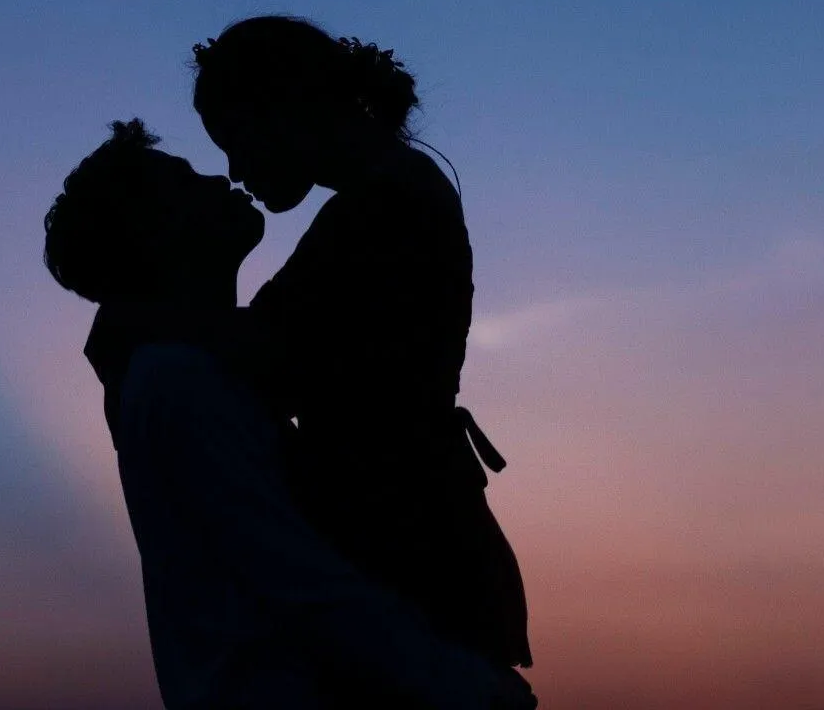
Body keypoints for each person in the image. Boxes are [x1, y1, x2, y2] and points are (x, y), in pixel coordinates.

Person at [43, 119, 534, 710]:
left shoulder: (199, 369)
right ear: (150, 235)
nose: (219, 177)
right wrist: (467, 688)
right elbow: (293, 576)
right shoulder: (176, 382)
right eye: (183, 181)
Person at [192, 18, 532, 671]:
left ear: (284, 106)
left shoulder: (385, 206)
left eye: (235, 141)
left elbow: (265, 358)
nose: (234, 171)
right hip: (416, 549)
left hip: (407, 557)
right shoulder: (390, 194)